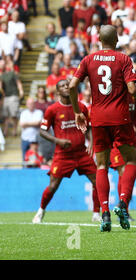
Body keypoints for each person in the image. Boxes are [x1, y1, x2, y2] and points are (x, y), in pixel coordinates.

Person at [69, 25, 136, 232]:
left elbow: (71, 86)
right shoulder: (123, 59)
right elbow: (132, 88)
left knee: (101, 166)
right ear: (116, 40)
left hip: (97, 119)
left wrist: (77, 111)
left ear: (99, 39)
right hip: (120, 117)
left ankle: (104, 213)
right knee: (131, 160)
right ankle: (123, 203)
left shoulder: (88, 59)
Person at [32, 79, 101, 224]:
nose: (65, 87)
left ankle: (96, 213)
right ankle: (40, 211)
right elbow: (42, 131)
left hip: (82, 153)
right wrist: (58, 141)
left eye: (67, 85)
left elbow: (89, 128)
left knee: (97, 181)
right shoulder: (52, 109)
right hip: (63, 155)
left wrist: (92, 143)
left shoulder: (81, 107)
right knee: (53, 185)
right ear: (57, 91)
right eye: (62, 86)